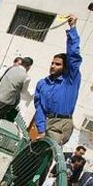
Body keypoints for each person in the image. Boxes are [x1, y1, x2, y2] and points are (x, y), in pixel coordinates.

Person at [34, 15, 81, 145]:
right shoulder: (42, 84)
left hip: (66, 123)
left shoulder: (71, 80)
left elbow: (73, 55)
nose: (53, 66)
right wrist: (41, 129)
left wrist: (72, 28)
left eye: (58, 64)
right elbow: (39, 109)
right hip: (52, 123)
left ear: (65, 67)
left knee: (54, 155)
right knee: (48, 154)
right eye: (52, 63)